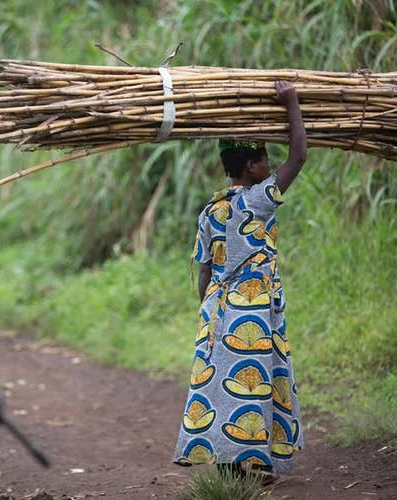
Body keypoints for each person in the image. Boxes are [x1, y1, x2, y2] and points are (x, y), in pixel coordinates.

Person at [173, 81, 307, 481]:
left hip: (217, 309)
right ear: (251, 166)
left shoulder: (209, 210)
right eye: (265, 159)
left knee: (225, 387)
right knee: (254, 383)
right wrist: (292, 103)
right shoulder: (259, 199)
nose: (270, 165)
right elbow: (299, 156)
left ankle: (234, 465)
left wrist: (207, 313)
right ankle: (245, 465)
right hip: (253, 307)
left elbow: (203, 271)